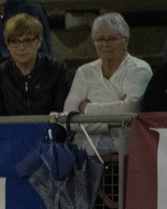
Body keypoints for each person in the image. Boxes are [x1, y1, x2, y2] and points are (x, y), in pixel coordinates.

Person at [62, 13, 152, 155]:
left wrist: (85, 108)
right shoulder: (85, 71)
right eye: (99, 39)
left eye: (112, 38)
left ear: (125, 41)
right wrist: (111, 120)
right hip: (84, 153)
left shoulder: (139, 70)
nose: (105, 44)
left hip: (124, 153)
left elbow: (130, 110)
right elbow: (68, 118)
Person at [0, 12, 70, 116]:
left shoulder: (57, 70)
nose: (21, 48)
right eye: (15, 41)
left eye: (28, 41)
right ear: (8, 45)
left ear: (39, 42)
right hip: (11, 131)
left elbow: (62, 116)